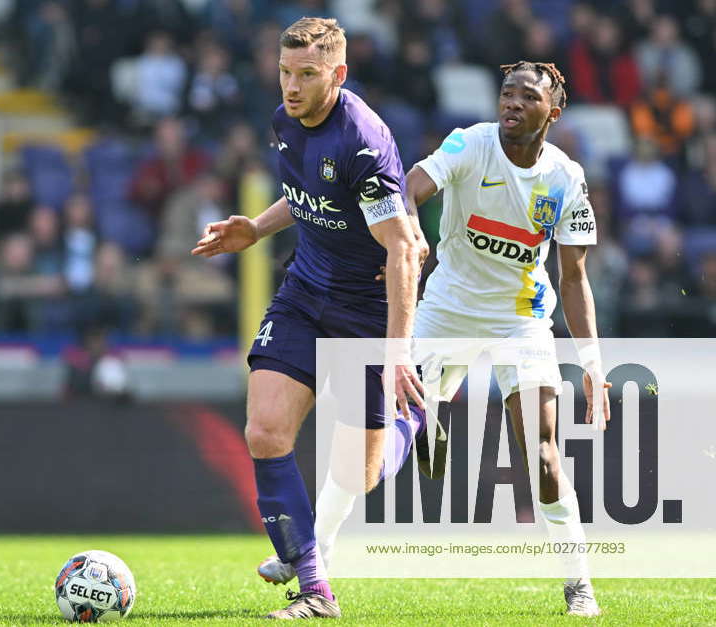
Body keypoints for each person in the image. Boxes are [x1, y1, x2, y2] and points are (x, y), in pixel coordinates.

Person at [260, 61, 614, 618]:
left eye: (527, 96)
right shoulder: (469, 145)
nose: (512, 104)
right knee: (364, 439)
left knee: (543, 453)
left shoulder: (567, 179)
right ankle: (313, 558)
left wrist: (593, 364)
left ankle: (578, 584)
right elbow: (410, 187)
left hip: (520, 320)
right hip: (443, 309)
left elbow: (574, 278)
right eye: (506, 93)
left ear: (553, 111)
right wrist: (409, 232)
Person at [192, 17, 425, 620]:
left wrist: (397, 353)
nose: (291, 87)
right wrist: (255, 227)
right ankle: (315, 589)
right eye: (284, 73)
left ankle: (414, 422)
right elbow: (309, 197)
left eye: (307, 75)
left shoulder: (363, 143)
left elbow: (404, 249)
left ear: (338, 75)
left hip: (366, 312)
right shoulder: (282, 122)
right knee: (265, 431)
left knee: (361, 473)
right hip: (303, 294)